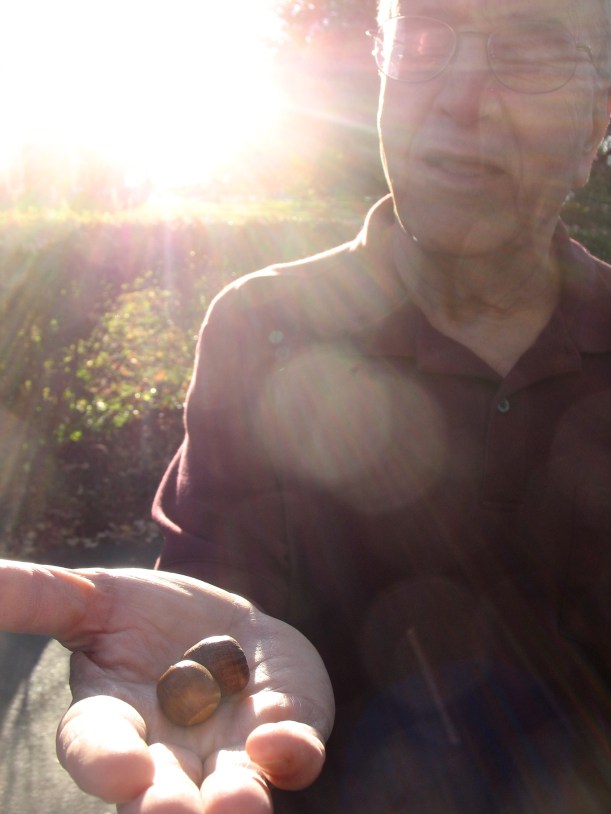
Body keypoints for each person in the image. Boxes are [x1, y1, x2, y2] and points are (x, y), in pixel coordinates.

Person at [1, 0, 611, 811]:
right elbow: (216, 586)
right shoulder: (264, 327)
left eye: (530, 53)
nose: (460, 97)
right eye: (425, 40)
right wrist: (198, 652)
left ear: (594, 129)